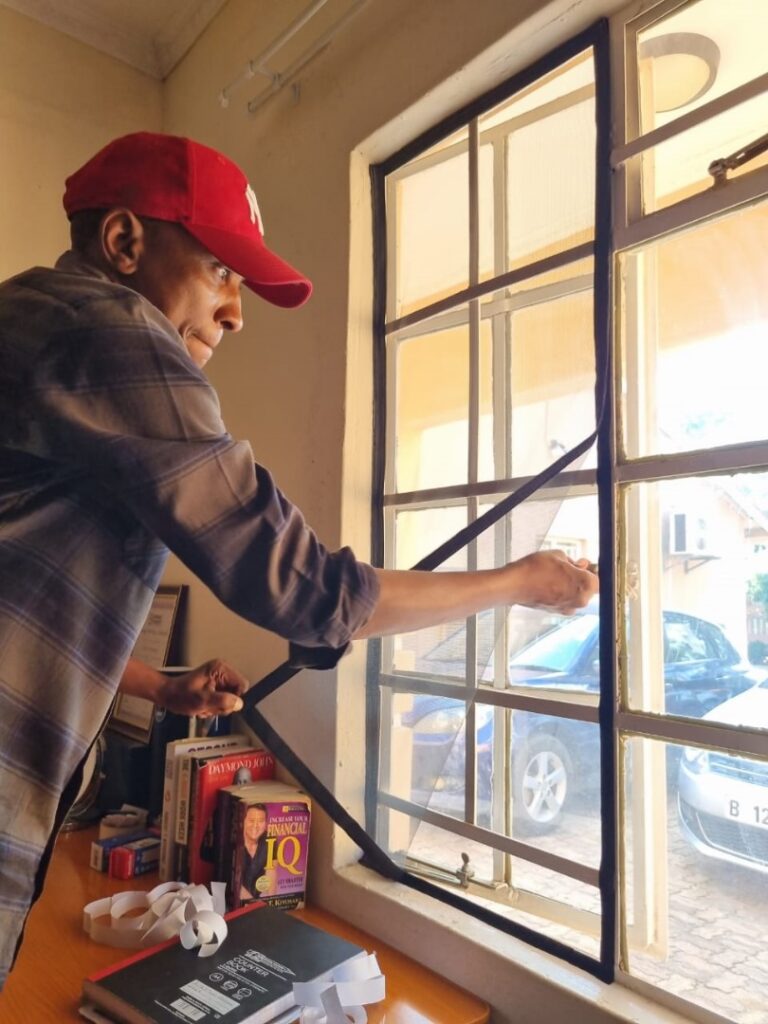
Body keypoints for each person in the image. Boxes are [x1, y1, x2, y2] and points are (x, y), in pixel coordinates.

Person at [0, 131, 597, 988]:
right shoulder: (108, 331)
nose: (235, 313)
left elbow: (27, 599)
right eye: (220, 271)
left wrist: (160, 688)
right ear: (124, 241)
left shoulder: (29, 318)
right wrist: (520, 582)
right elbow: (309, 592)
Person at [239, 803, 275, 902]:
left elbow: (272, 873)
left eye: (261, 821)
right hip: (236, 902)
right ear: (243, 821)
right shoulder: (234, 841)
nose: (255, 825)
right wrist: (253, 905)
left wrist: (271, 903)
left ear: (266, 824)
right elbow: (234, 881)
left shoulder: (269, 840)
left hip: (257, 904)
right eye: (251, 820)